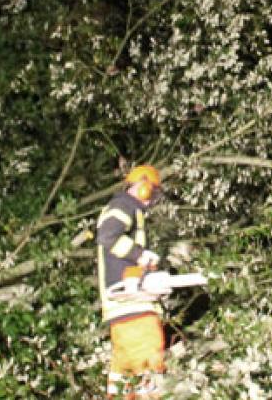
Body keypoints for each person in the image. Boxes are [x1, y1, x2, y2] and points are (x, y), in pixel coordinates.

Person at [97, 164, 166, 399]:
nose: (152, 200)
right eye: (153, 193)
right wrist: (140, 255)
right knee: (150, 364)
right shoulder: (124, 205)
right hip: (131, 305)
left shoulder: (124, 208)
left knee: (124, 377)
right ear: (144, 187)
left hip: (123, 310)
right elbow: (107, 235)